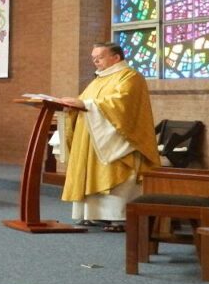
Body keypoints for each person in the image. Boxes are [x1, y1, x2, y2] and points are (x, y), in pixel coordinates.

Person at [57, 43, 160, 232]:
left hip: (117, 139)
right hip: (91, 139)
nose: (95, 61)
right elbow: (86, 102)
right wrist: (71, 107)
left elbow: (122, 104)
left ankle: (117, 218)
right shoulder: (98, 80)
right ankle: (93, 215)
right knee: (90, 174)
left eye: (100, 57)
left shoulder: (130, 76)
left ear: (116, 58)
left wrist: (85, 104)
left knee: (117, 177)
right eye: (93, 57)